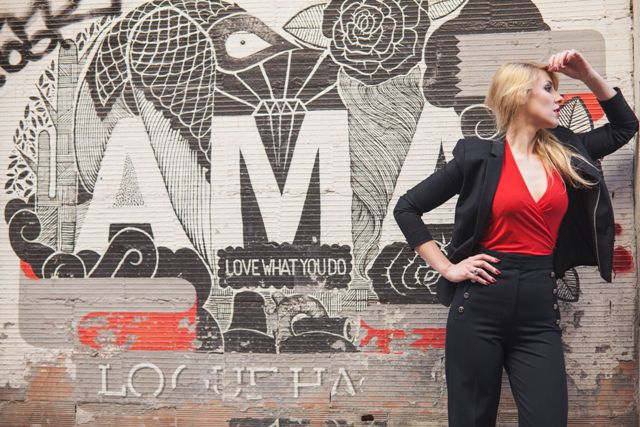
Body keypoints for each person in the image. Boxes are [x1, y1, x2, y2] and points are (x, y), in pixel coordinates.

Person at [393, 50, 638, 427]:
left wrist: (588, 74)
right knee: (472, 420)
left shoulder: (566, 153)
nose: (560, 98)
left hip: (539, 308)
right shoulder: (477, 157)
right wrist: (448, 268)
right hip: (479, 306)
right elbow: (407, 207)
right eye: (548, 89)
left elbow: (625, 126)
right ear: (519, 95)